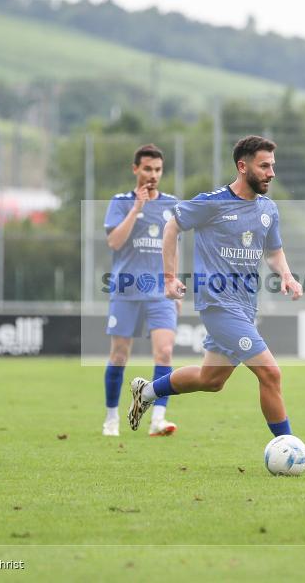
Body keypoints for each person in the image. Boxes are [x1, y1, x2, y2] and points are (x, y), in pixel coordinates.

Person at [126, 135, 305, 471]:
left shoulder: (268, 209)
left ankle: (147, 392)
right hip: (218, 305)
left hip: (246, 307)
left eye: (272, 166)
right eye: (264, 166)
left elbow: (273, 251)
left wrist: (287, 275)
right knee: (271, 374)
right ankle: (296, 452)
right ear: (242, 166)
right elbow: (172, 225)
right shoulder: (212, 203)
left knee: (211, 379)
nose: (271, 173)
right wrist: (169, 277)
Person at [102, 144, 179, 437]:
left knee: (165, 352)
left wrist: (173, 282)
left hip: (159, 292)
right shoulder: (120, 202)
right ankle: (111, 418)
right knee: (119, 355)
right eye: (147, 169)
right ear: (135, 169)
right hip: (126, 290)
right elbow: (114, 242)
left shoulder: (171, 204)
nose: (153, 175)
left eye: (158, 169)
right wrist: (136, 209)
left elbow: (173, 248)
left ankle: (158, 418)